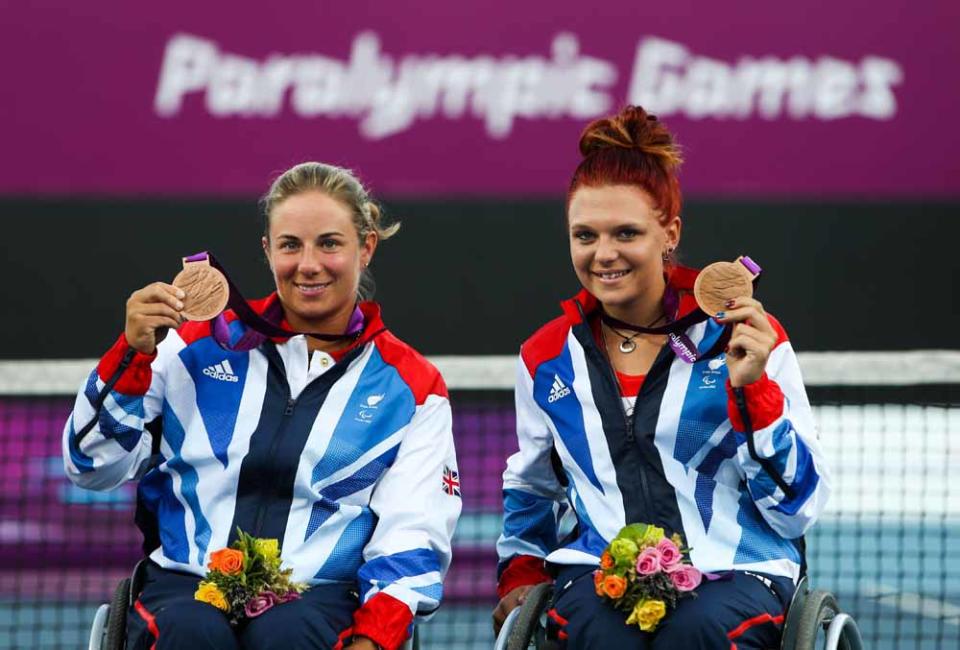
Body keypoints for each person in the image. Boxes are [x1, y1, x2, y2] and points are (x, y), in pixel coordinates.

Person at [63, 162, 461, 650]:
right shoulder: (191, 345)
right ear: (268, 251)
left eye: (330, 244)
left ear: (367, 247)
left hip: (321, 600)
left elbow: (412, 534)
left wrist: (376, 637)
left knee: (284, 635)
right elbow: (91, 465)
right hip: (186, 588)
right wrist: (131, 354)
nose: (308, 264)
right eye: (291, 245)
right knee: (193, 631)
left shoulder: (413, 387)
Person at [492, 106, 830, 649]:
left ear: (669, 232)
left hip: (736, 570)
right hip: (599, 573)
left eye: (626, 232)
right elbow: (533, 484)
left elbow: (797, 510)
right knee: (599, 633)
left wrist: (753, 392)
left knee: (695, 629)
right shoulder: (547, 356)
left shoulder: (744, 336)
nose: (604, 254)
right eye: (585, 236)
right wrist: (522, 570)